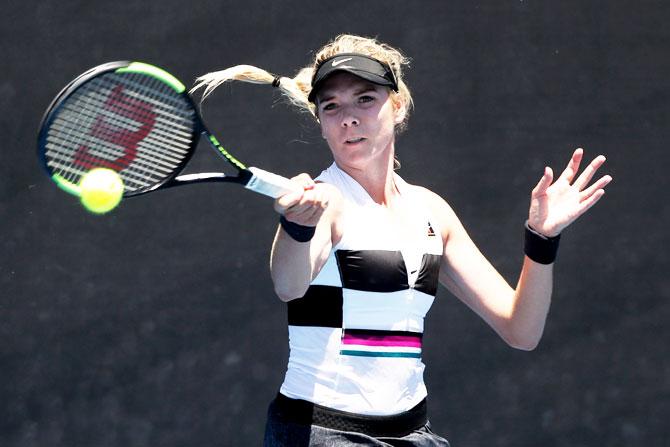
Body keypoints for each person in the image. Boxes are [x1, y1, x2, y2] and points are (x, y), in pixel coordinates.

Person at [192, 34, 612, 446]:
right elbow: (289, 284)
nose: (348, 118)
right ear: (320, 124)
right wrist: (297, 226)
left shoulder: (431, 211)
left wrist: (541, 238)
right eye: (331, 107)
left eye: (365, 100)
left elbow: (521, 329)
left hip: (411, 431)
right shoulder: (330, 203)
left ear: (397, 105)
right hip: (319, 432)